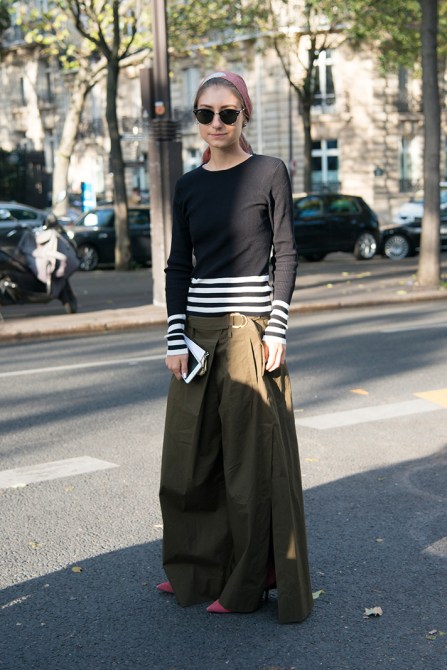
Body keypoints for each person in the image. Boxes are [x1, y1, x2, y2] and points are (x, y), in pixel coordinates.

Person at [157, 71, 313, 624]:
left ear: (245, 114)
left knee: (251, 466)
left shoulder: (269, 172)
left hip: (250, 330)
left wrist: (278, 328)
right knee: (190, 459)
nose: (216, 123)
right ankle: (197, 566)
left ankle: (251, 578)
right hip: (197, 334)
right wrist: (175, 334)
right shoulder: (188, 185)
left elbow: (285, 253)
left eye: (227, 113)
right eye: (205, 114)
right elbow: (179, 265)